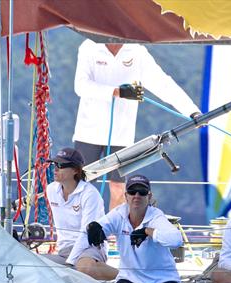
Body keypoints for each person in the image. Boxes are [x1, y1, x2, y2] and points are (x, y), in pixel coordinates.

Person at [73, 39, 201, 210]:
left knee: (118, 188)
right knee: (80, 187)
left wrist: (192, 112)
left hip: (122, 133)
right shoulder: (89, 47)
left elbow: (164, 84)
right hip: (88, 131)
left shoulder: (137, 51)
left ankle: (114, 234)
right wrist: (117, 91)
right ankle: (79, 232)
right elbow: (81, 86)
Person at [44, 147, 118, 281]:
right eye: (54, 164)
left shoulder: (90, 194)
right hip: (64, 251)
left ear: (75, 170)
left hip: (90, 248)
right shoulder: (51, 190)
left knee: (85, 268)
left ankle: (128, 278)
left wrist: (70, 263)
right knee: (30, 265)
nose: (55, 169)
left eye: (60, 165)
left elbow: (86, 233)